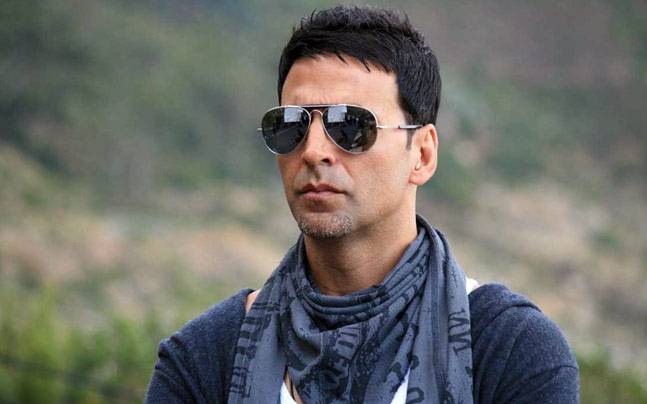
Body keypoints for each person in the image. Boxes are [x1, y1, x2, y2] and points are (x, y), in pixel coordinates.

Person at [146, 5, 579, 403]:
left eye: (351, 125)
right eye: (291, 125)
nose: (314, 151)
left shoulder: (511, 349)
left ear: (422, 154)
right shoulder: (205, 358)